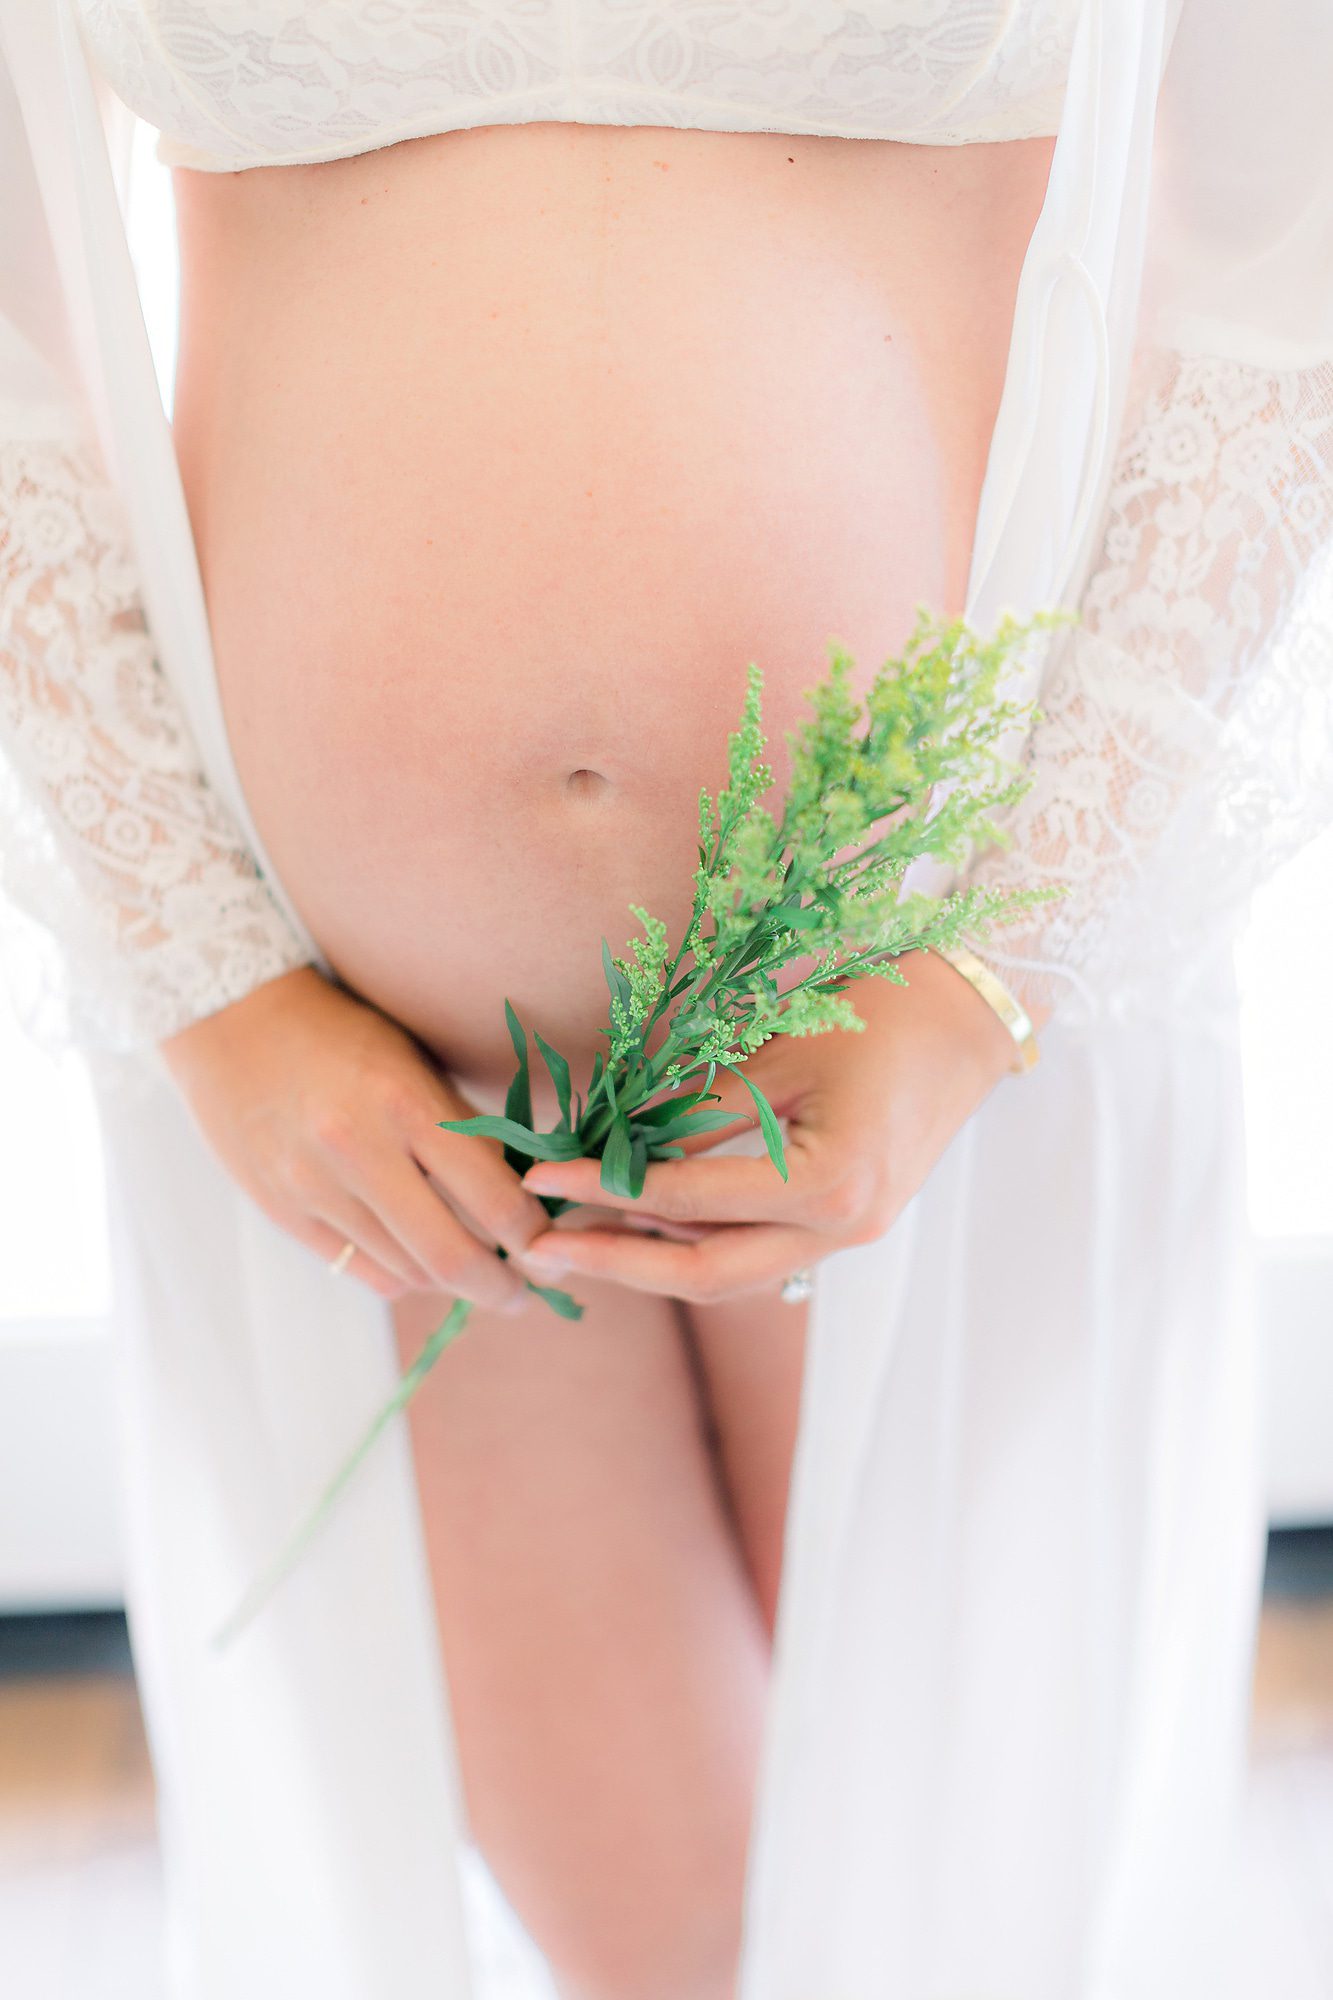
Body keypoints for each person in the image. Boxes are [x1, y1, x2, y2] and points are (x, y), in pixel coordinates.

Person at [1, 2, 1330, 1996]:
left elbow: (1282, 275)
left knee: (954, 1926)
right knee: (666, 1943)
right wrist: (207, 978)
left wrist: (987, 977)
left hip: (942, 1030)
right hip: (378, 1093)